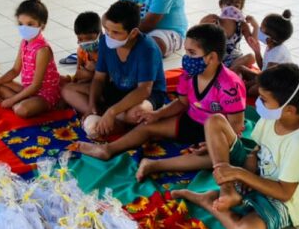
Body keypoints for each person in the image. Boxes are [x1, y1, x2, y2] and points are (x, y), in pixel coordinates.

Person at [172, 64, 299, 229]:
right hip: (256, 177)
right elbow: (257, 148)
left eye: (263, 99)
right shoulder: (272, 118)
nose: (258, 102)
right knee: (215, 121)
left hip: (281, 200)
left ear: (289, 109)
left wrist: (240, 174)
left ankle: (207, 200)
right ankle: (228, 190)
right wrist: (248, 166)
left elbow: (284, 193)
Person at [79, 24, 246, 167]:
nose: (186, 58)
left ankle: (154, 166)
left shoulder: (229, 85)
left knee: (217, 157)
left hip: (218, 132)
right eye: (186, 52)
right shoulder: (189, 74)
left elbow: (236, 126)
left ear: (212, 57)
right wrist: (156, 114)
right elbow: (181, 103)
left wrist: (212, 145)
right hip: (191, 121)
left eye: (192, 52)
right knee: (146, 126)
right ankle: (108, 150)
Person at [67, 0, 167, 140]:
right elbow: (99, 78)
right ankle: (109, 117)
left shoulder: (147, 48)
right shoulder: (105, 42)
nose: (109, 35)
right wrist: (91, 105)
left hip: (145, 96)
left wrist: (112, 111)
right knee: (68, 90)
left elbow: (144, 90)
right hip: (117, 90)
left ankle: (111, 118)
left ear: (133, 33)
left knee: (137, 113)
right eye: (107, 30)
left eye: (116, 32)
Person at [0, 0, 61, 118]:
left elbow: (36, 86)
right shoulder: (24, 42)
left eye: (30, 24)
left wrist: (12, 100)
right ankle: (20, 101)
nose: (24, 28)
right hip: (28, 89)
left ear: (42, 26)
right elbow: (15, 70)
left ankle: (22, 103)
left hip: (43, 93)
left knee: (21, 110)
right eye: (21, 23)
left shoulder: (42, 50)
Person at [237, 10, 294, 96]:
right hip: (268, 78)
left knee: (251, 90)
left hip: (279, 86)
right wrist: (257, 52)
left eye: (261, 29)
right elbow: (262, 68)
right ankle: (223, 80)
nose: (259, 30)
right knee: (240, 68)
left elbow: (265, 78)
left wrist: (245, 85)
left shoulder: (277, 53)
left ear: (270, 38)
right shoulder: (271, 47)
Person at [200, 0, 255, 70]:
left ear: (240, 9)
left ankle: (225, 74)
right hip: (215, 59)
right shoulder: (213, 21)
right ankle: (226, 73)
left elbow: (254, 43)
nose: (231, 9)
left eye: (236, 6)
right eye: (228, 4)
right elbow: (196, 39)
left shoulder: (242, 25)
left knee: (251, 57)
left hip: (235, 60)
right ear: (220, 4)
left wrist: (255, 26)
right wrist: (201, 24)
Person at [61, 11, 101, 104]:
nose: (85, 42)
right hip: (85, 84)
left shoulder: (105, 52)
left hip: (99, 86)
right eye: (80, 39)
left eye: (89, 38)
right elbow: (78, 74)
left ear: (99, 34)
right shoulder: (81, 51)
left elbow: (107, 80)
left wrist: (90, 74)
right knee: (61, 83)